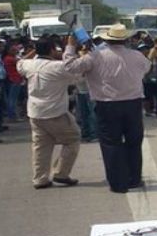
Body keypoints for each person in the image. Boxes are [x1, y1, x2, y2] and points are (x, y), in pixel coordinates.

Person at [64, 24, 151, 194]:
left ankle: (118, 183)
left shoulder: (95, 56)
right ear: (126, 40)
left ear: (107, 39)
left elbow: (70, 67)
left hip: (108, 105)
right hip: (132, 104)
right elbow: (146, 68)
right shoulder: (137, 55)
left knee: (111, 144)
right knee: (133, 143)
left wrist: (70, 46)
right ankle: (134, 178)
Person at [18, 39, 82, 189]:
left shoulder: (28, 65)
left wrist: (36, 50)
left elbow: (20, 62)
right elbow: (77, 71)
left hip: (35, 112)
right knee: (72, 139)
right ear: (52, 49)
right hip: (55, 112)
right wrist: (69, 48)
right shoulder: (58, 67)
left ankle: (40, 178)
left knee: (41, 146)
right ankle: (61, 173)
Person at [2, 43, 23, 121]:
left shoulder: (8, 58)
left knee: (12, 98)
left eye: (16, 50)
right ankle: (13, 116)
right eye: (13, 50)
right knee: (12, 99)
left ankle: (12, 115)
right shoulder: (9, 59)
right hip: (14, 79)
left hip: (13, 79)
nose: (15, 51)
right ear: (8, 51)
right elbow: (22, 62)